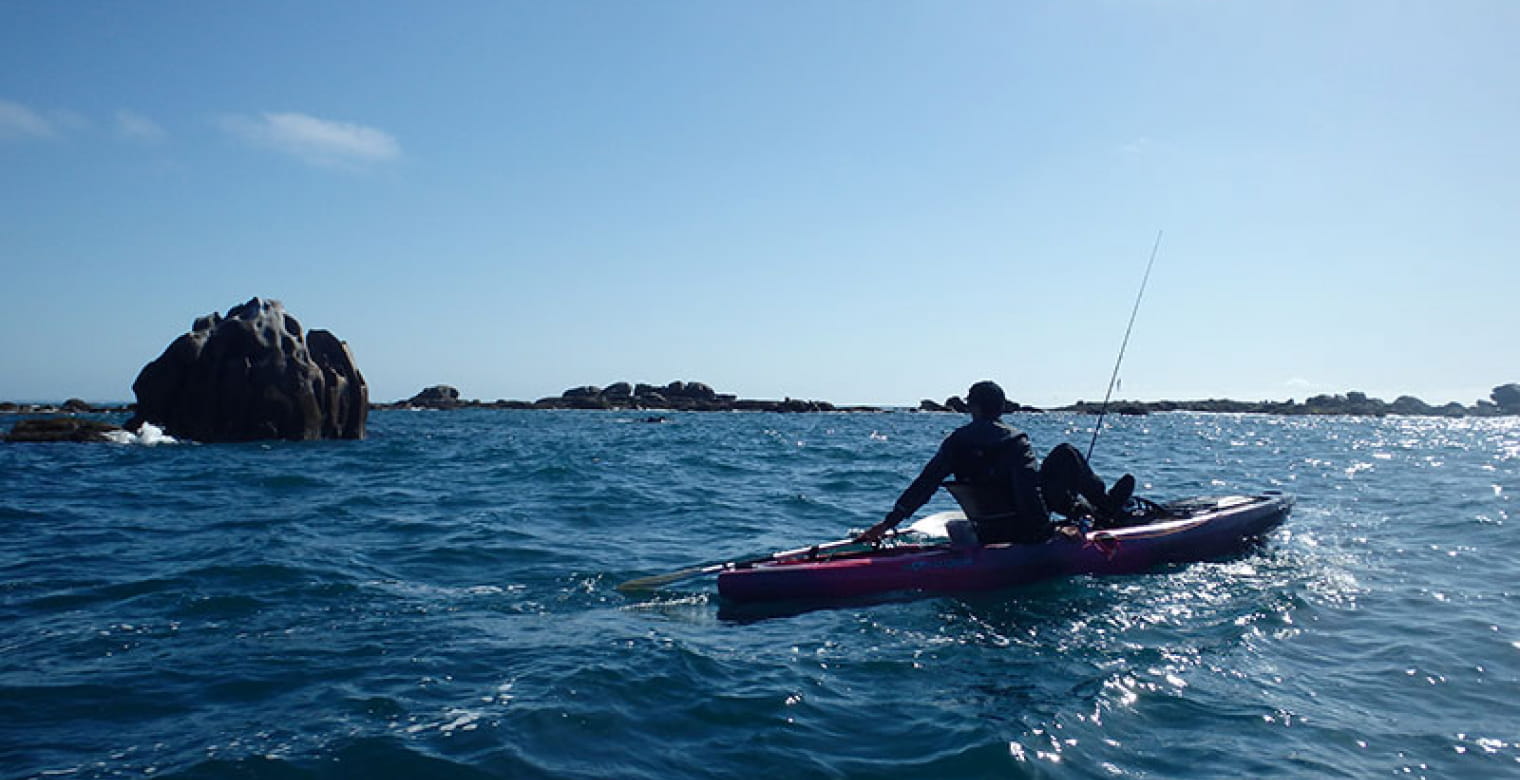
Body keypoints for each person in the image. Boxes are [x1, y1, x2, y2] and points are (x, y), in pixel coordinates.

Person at [856, 380, 1135, 545]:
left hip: (986, 527)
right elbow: (1027, 492)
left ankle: (1090, 510)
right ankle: (1108, 507)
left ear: (972, 408)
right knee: (1067, 453)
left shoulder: (956, 442)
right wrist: (1049, 533)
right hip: (1022, 528)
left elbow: (924, 485)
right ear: (1001, 408)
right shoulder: (1015, 441)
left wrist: (888, 524)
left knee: (1060, 485)